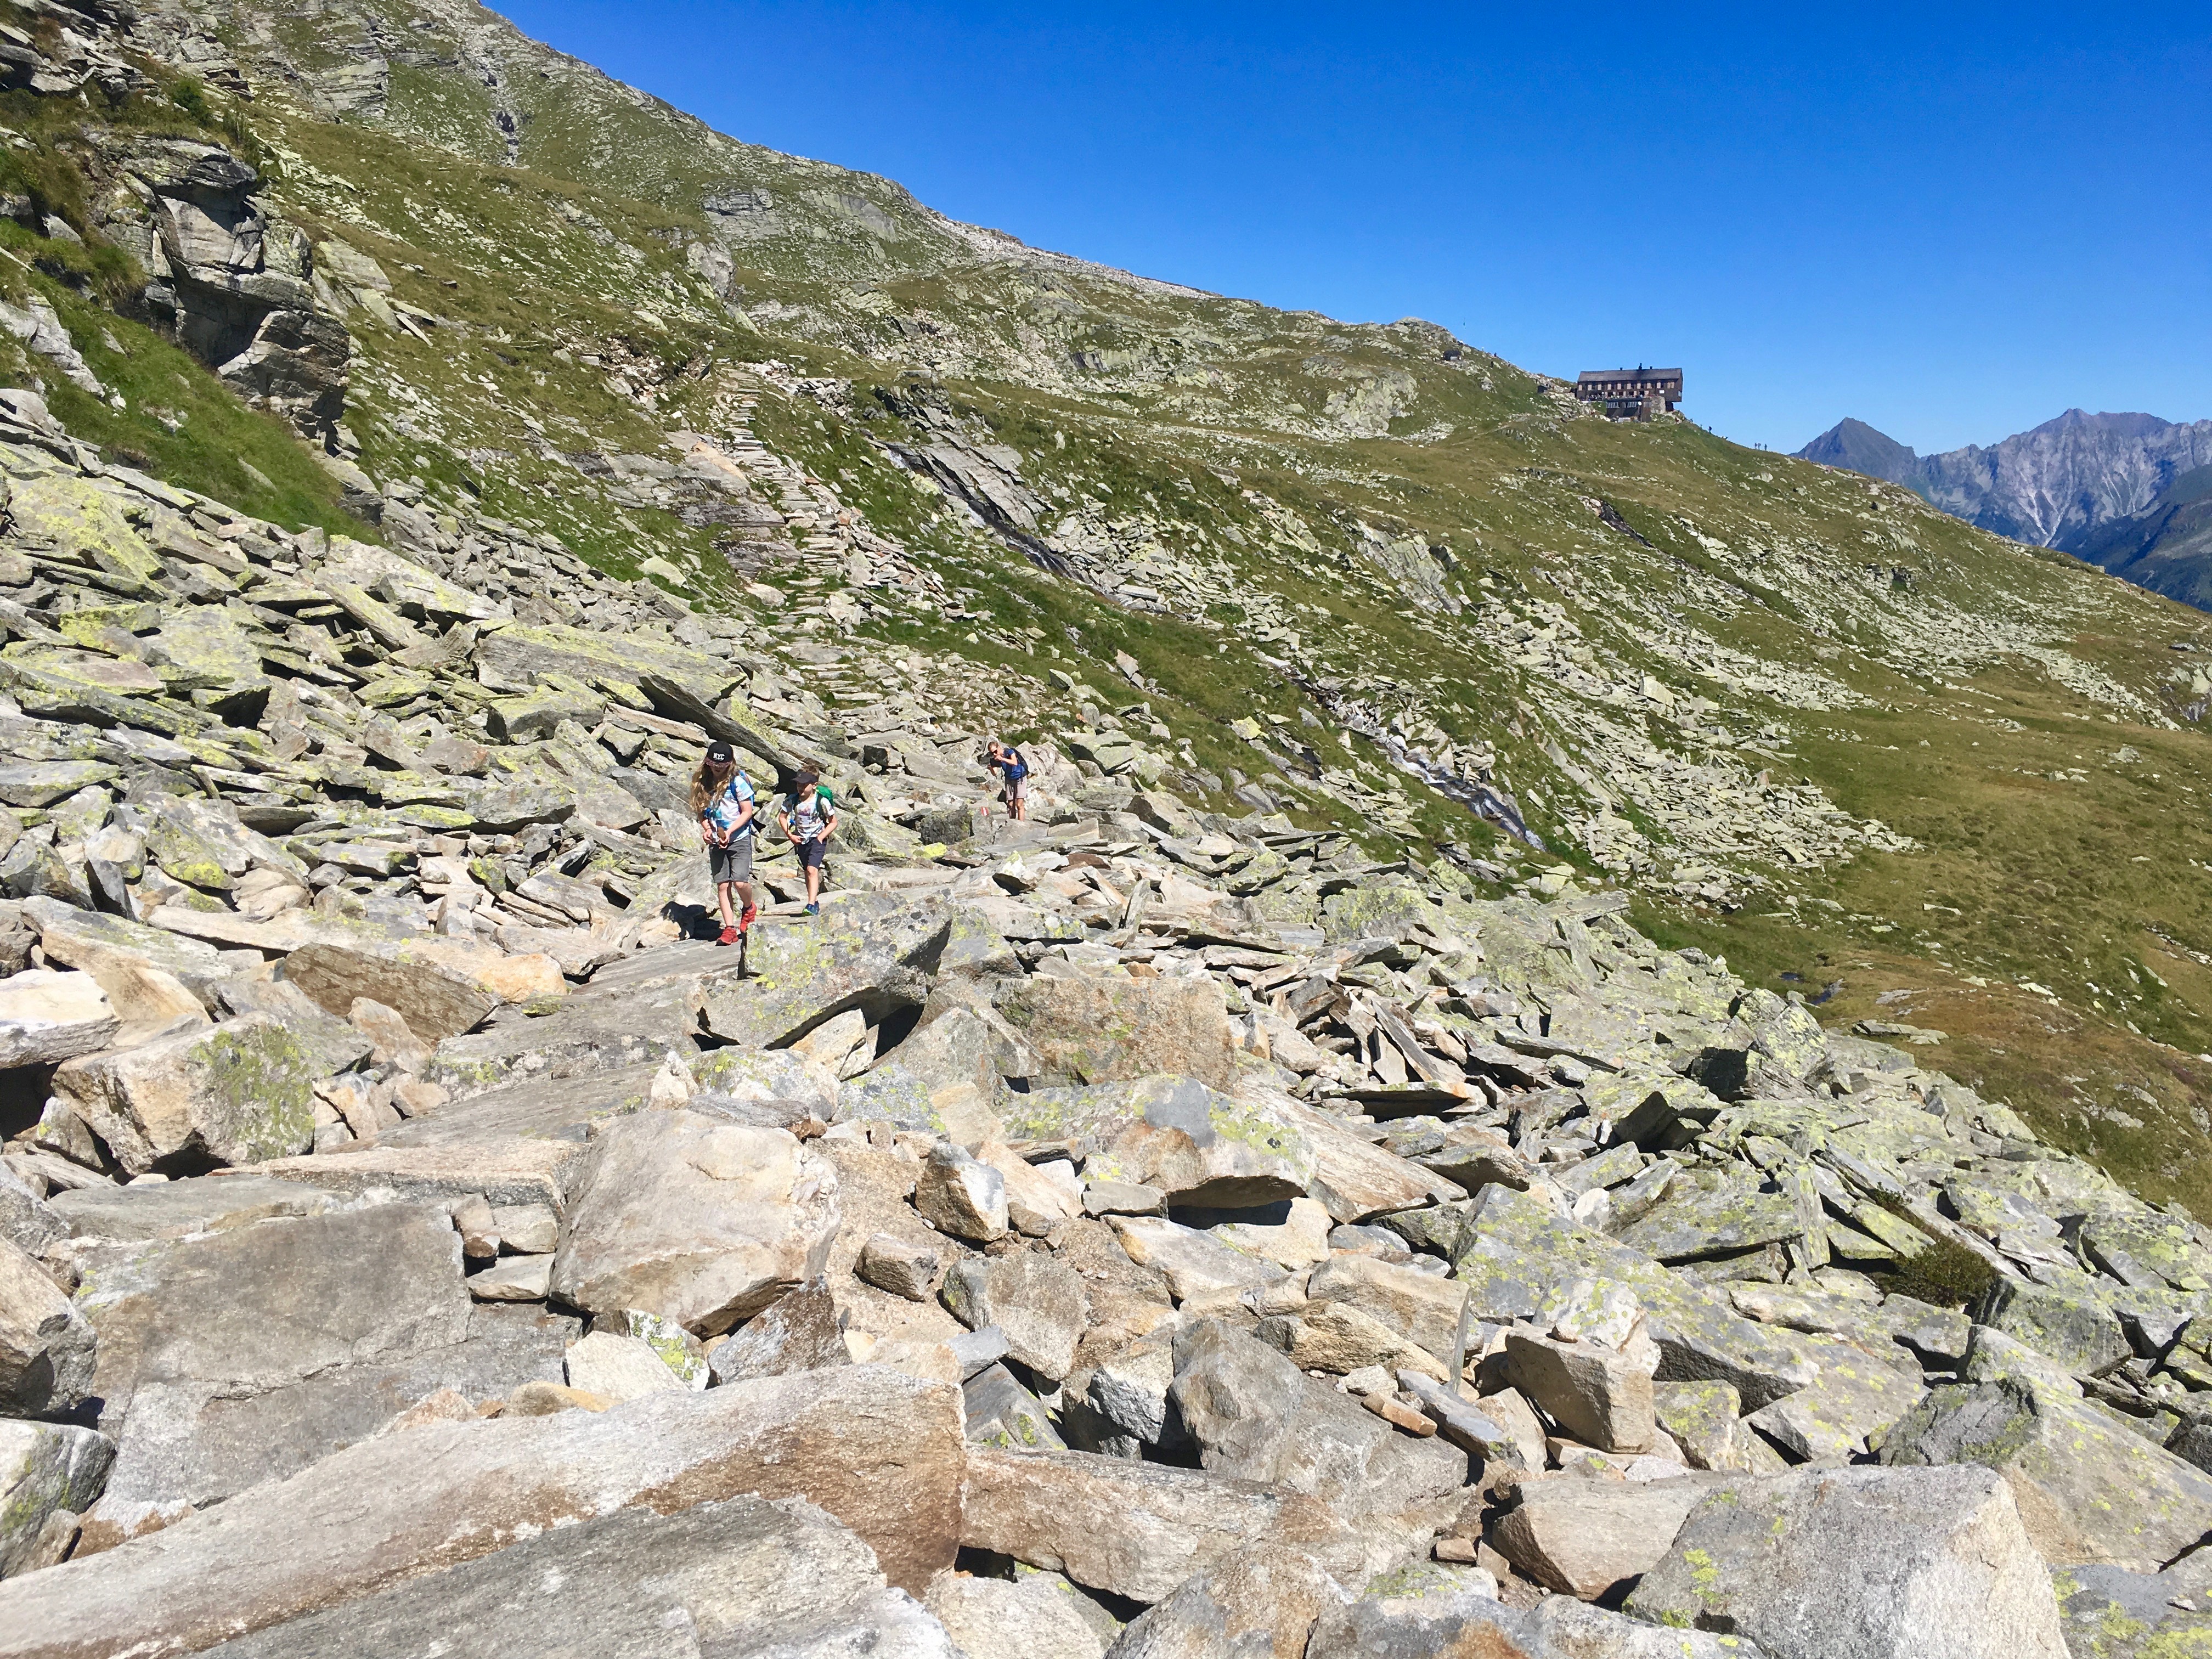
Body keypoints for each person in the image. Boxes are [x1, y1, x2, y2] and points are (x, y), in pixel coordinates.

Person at [691, 741, 757, 945]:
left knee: (740, 882)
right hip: (717, 841)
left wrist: (729, 831)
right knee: (723, 885)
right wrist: (708, 830)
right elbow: (701, 812)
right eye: (714, 764)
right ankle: (729, 929)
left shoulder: (737, 782)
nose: (718, 768)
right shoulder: (703, 783)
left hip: (739, 837)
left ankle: (749, 908)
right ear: (708, 762)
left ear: (729, 764)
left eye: (722, 765)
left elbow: (747, 811)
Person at [780, 767, 838, 915]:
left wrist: (821, 837)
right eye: (798, 784)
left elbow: (833, 822)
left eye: (804, 785)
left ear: (814, 785)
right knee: (807, 871)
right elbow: (782, 817)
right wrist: (789, 835)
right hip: (800, 841)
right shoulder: (793, 800)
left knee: (812, 870)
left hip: (817, 840)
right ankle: (814, 900)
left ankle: (811, 904)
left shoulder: (821, 801)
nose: (800, 787)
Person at [984, 739, 1030, 822]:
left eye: (995, 751)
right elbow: (995, 773)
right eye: (992, 753)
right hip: (1009, 779)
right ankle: (1012, 823)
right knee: (1010, 804)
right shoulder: (995, 759)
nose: (995, 754)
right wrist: (991, 769)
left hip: (1020, 777)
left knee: (1019, 804)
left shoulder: (1009, 752)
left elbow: (1015, 762)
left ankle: (1021, 825)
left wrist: (1003, 759)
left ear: (999, 747)